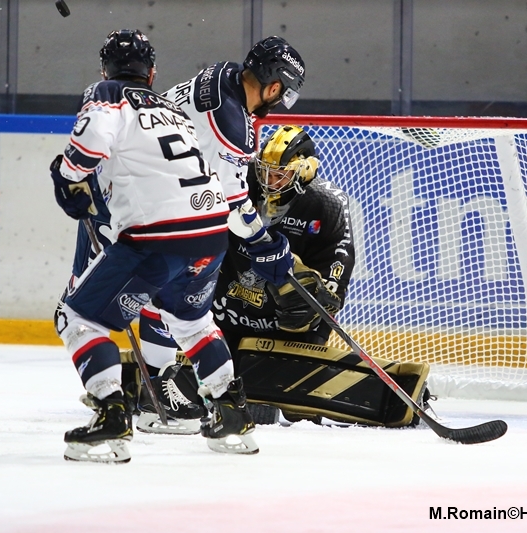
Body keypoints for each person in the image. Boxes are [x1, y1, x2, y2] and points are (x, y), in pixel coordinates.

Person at [51, 29, 258, 463]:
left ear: (104, 69)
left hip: (156, 237)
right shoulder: (172, 107)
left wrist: (67, 175)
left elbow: (88, 147)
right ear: (153, 73)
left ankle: (112, 414)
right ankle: (231, 412)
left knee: (75, 316)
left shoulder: (107, 93)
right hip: (210, 232)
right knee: (192, 321)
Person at [142, 125, 433, 428]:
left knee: (299, 408)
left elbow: (334, 285)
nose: (269, 181)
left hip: (288, 328)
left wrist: (312, 297)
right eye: (265, 171)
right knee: (189, 377)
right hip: (228, 315)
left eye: (280, 174)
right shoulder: (240, 185)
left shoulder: (327, 204)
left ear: (305, 170)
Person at [126, 36, 309, 434]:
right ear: (274, 86)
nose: (277, 104)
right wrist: (267, 244)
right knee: (182, 295)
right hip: (151, 202)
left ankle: (150, 397)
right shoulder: (231, 124)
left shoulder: (221, 73)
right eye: (281, 95)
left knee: (162, 290)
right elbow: (232, 206)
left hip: (138, 187)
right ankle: (154, 398)